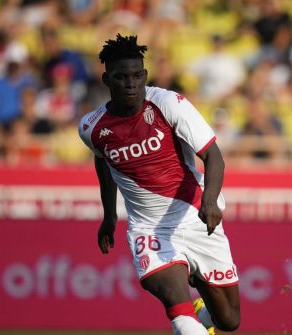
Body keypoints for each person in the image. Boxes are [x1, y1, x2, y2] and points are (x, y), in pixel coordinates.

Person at [77, 34, 240, 335]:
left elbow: (213, 155)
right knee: (175, 304)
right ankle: (185, 314)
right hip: (148, 229)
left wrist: (210, 200)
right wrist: (110, 215)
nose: (130, 84)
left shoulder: (168, 103)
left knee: (229, 321)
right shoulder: (91, 127)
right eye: (121, 77)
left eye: (137, 76)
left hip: (195, 216)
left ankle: (200, 312)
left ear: (145, 75)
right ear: (106, 79)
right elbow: (103, 162)